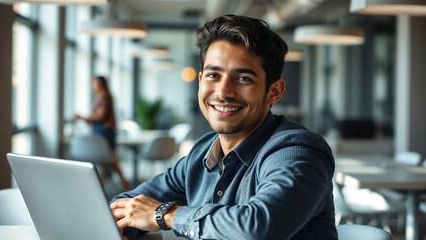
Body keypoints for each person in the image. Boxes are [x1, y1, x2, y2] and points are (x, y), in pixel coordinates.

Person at [110, 15, 337, 240]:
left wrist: (165, 214)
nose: (223, 92)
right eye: (213, 75)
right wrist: (122, 226)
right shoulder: (201, 153)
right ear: (200, 82)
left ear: (274, 91)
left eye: (243, 78)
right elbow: (129, 205)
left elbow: (257, 228)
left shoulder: (297, 151)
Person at [74, 76, 131, 191]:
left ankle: (122, 183)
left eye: (94, 82)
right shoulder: (102, 97)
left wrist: (83, 118)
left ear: (99, 83)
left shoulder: (105, 97)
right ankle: (101, 184)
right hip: (102, 131)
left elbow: (100, 116)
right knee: (107, 160)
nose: (92, 85)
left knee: (110, 159)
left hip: (105, 132)